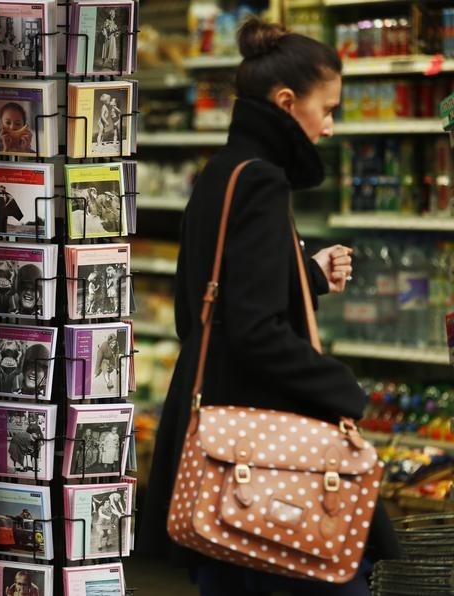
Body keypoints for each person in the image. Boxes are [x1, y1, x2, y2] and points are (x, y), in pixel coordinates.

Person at [138, 17, 402, 595]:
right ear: (287, 102)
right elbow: (255, 330)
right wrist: (340, 389)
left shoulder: (221, 174)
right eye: (327, 109)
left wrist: (304, 274)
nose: (329, 128)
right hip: (263, 463)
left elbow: (202, 309)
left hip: (212, 448)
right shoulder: (262, 183)